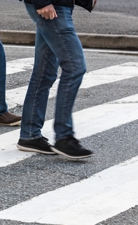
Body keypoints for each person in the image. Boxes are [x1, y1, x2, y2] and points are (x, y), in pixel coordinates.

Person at [16, 0, 96, 159]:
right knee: (75, 67)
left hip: (59, 6)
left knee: (44, 72)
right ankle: (64, 137)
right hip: (51, 6)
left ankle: (29, 135)